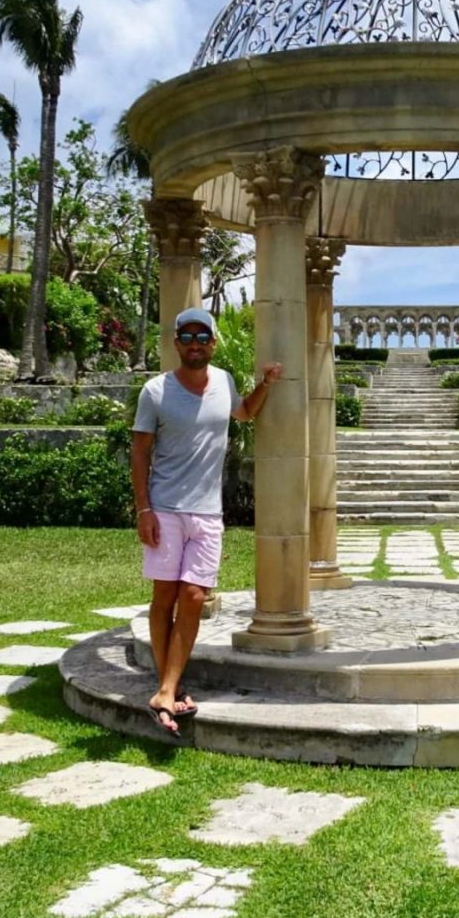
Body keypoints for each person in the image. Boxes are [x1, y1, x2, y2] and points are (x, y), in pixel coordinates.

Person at [131, 306, 281, 736]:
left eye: (203, 337)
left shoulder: (223, 382)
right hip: (164, 508)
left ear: (213, 343)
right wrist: (143, 510)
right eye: (187, 337)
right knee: (165, 596)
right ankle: (169, 690)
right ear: (176, 344)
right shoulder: (156, 391)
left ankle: (166, 689)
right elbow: (140, 452)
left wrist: (266, 386)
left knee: (194, 596)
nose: (195, 344)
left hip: (207, 511)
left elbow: (244, 413)